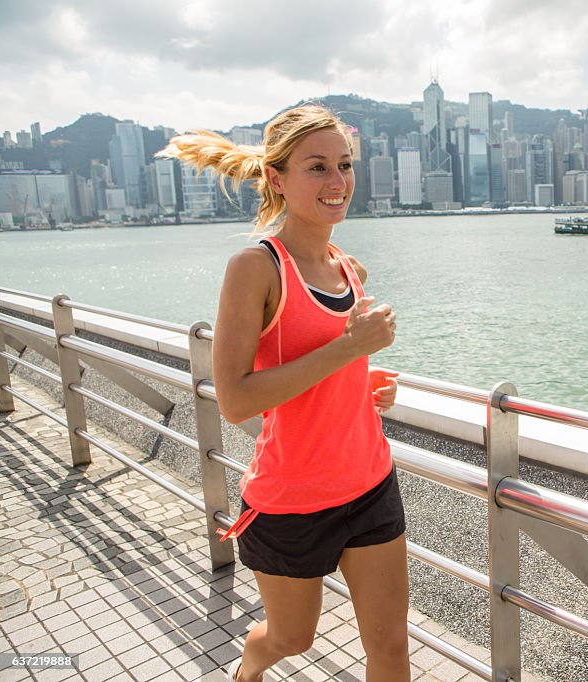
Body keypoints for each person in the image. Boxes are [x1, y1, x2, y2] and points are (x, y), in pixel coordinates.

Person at [158, 104, 409, 682]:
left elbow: (317, 369)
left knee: (391, 647)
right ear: (277, 178)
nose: (337, 182)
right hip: (292, 500)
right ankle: (250, 662)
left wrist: (361, 385)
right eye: (317, 167)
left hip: (370, 482)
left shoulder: (349, 268)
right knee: (292, 638)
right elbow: (238, 399)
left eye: (344, 165)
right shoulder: (257, 267)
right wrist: (348, 351)